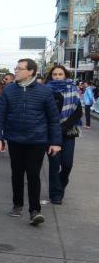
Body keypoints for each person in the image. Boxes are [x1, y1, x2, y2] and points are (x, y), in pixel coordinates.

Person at [0, 58, 61, 226]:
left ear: (30, 71)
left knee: (33, 174)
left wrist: (55, 141)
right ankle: (17, 205)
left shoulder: (44, 92)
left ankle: (35, 210)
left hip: (37, 140)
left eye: (20, 68)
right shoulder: (8, 91)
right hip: (15, 139)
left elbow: (53, 119)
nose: (16, 71)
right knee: (16, 173)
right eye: (16, 68)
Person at [45, 65, 83, 205]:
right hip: (51, 133)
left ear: (65, 75)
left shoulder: (73, 90)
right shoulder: (46, 90)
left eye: (60, 74)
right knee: (54, 165)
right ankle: (56, 195)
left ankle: (61, 185)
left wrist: (64, 126)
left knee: (67, 164)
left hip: (68, 132)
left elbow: (78, 112)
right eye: (55, 74)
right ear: (51, 76)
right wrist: (54, 127)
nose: (57, 77)